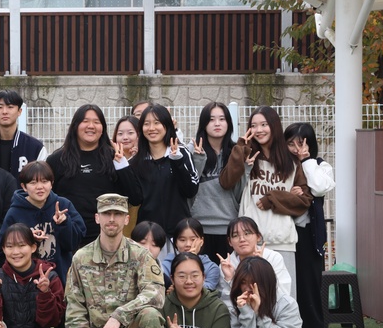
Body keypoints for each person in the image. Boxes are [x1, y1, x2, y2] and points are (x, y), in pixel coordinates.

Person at [52, 194, 165, 328]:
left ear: (126, 220)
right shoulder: (81, 259)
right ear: (97, 218)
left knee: (151, 315)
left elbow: (156, 293)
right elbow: (74, 314)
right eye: (106, 214)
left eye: (118, 214)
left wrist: (120, 315)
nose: (111, 219)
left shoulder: (140, 255)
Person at [220, 106, 311, 282]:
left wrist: (273, 198)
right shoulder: (248, 156)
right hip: (250, 243)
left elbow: (304, 200)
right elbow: (226, 181)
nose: (258, 130)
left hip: (282, 240)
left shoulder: (291, 161)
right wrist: (240, 148)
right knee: (251, 296)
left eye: (264, 124)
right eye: (253, 125)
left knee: (284, 297)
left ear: (274, 126)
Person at [46, 104, 142, 247]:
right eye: (85, 121)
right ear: (75, 126)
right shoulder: (57, 160)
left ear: (102, 128)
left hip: (107, 239)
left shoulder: (114, 158)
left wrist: (122, 165)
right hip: (68, 237)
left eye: (96, 122)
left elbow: (136, 197)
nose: (91, 126)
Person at [284, 122, 335, 328]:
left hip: (308, 237)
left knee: (310, 292)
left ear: (310, 144)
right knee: (287, 292)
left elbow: (320, 188)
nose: (296, 148)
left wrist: (306, 161)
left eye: (301, 143)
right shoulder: (280, 167)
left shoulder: (320, 165)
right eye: (291, 143)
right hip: (283, 236)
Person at [0, 161, 84, 286]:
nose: (39, 187)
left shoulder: (63, 205)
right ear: (24, 186)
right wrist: (25, 236)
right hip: (26, 282)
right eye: (33, 182)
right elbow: (1, 247)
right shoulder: (15, 212)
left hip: (60, 278)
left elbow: (74, 243)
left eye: (44, 181)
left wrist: (64, 223)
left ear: (51, 184)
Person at [131, 104, 199, 244]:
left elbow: (190, 190)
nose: (151, 128)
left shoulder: (181, 153)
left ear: (167, 125)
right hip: (147, 236)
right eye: (146, 124)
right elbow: (134, 198)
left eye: (157, 123)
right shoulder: (135, 162)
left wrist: (176, 161)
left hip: (179, 235)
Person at [190, 102, 242, 260]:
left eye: (222, 119)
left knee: (227, 280)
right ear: (203, 124)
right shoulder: (192, 150)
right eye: (211, 119)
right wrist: (198, 160)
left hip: (227, 228)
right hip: (198, 230)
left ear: (229, 123)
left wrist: (244, 168)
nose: (217, 123)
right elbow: (188, 189)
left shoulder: (236, 153)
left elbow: (240, 193)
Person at [218, 216, 293, 305]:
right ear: (230, 241)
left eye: (247, 233)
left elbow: (283, 294)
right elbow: (226, 302)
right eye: (235, 235)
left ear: (258, 236)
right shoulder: (226, 265)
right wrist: (230, 279)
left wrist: (262, 268)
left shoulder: (273, 257)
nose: (242, 239)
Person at [0, 90, 47, 178]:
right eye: (0, 107)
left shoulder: (35, 148)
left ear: (19, 111)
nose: (4, 111)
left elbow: (43, 180)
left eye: (10, 107)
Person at [160, 218, 221, 292]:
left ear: (202, 241)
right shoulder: (166, 265)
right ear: (175, 242)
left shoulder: (211, 267)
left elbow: (209, 288)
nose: (188, 244)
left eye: (193, 239)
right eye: (182, 240)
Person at [112, 115, 140, 236]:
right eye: (120, 133)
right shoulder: (109, 161)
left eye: (130, 133)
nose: (125, 137)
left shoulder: (145, 159)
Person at [130, 221, 170, 289]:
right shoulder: (119, 271)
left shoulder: (164, 281)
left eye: (154, 245)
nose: (147, 249)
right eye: (142, 243)